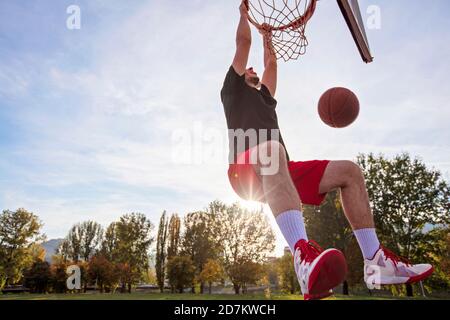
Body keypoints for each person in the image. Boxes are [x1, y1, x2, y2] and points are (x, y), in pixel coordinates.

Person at [220, 1, 434, 300]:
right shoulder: (232, 91)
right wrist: (245, 16)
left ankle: (376, 263)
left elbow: (272, 64)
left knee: (350, 171)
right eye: (248, 68)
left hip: (279, 166)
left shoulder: (265, 97)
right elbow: (243, 43)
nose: (252, 67)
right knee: (272, 148)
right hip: (244, 169)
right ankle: (302, 259)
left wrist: (268, 36)